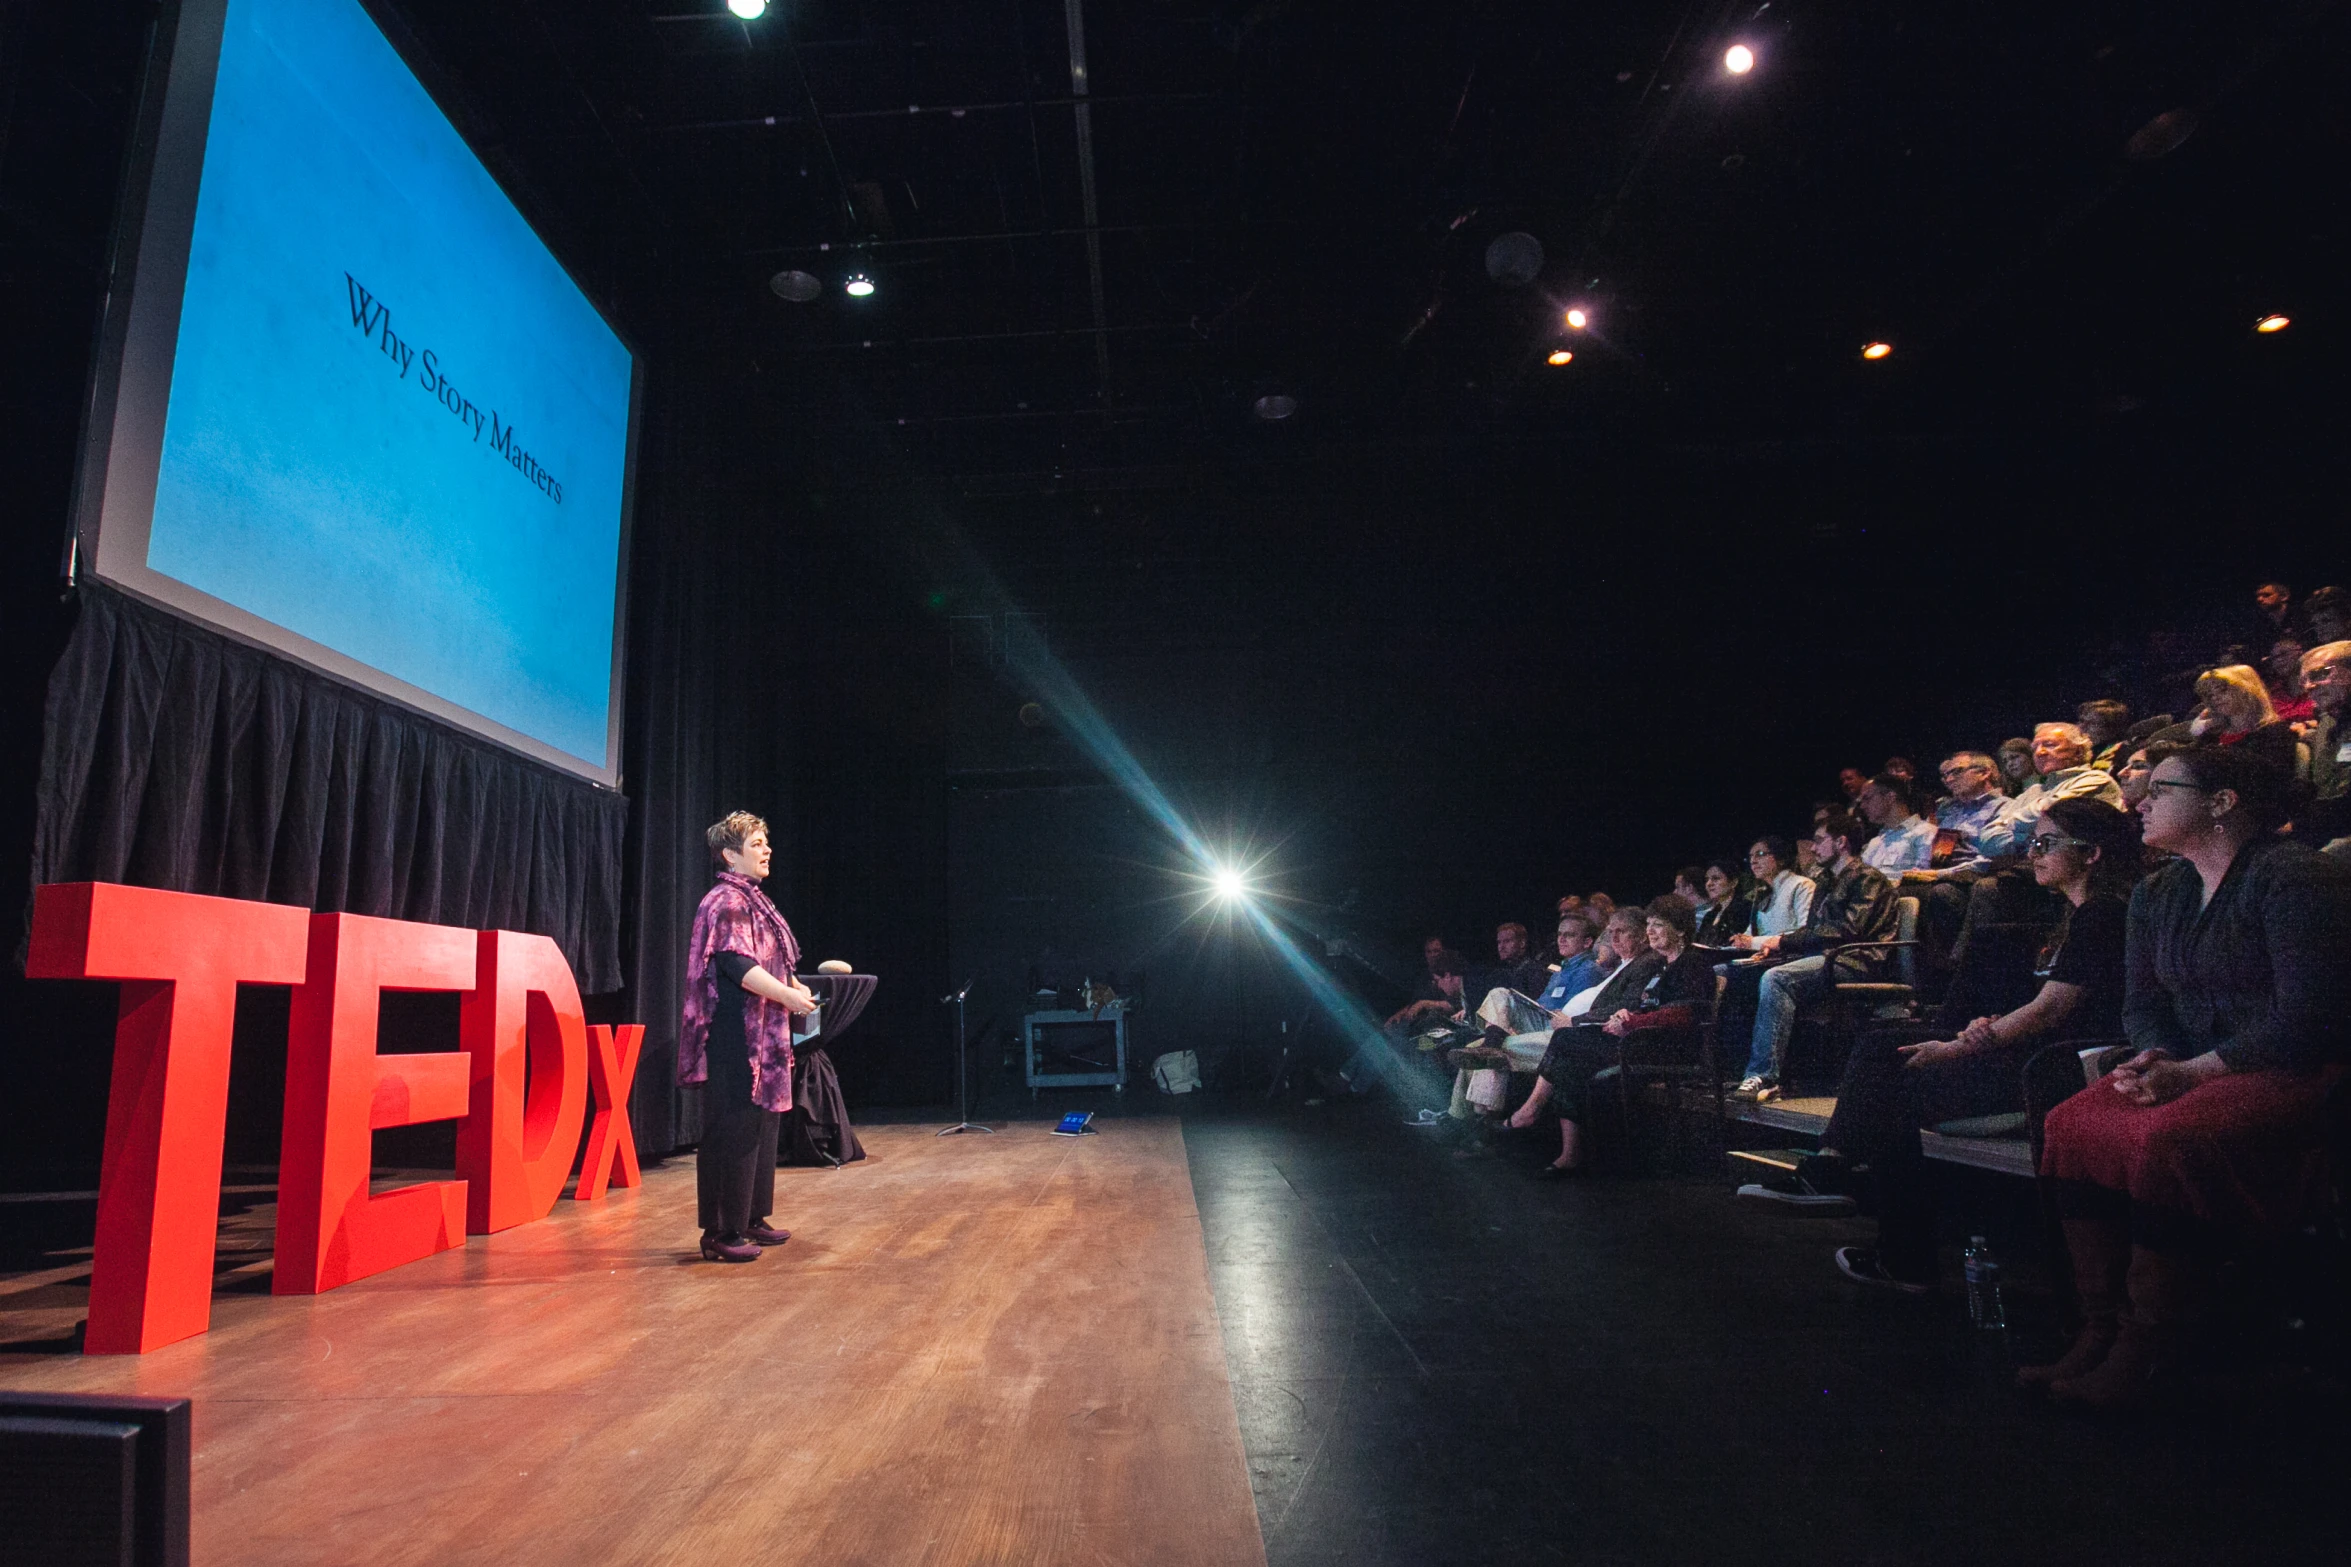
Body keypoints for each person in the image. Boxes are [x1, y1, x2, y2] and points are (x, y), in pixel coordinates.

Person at [2026, 748, 2351, 1407]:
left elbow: (2308, 1015)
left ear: (2221, 802)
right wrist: (2152, 1058)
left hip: (2288, 1066)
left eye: (2159, 789)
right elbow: (2142, 1004)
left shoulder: (2295, 878)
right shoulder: (2156, 891)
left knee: (2168, 1138)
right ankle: (2100, 1325)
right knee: (2072, 1121)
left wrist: (2190, 1074)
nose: (2138, 802)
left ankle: (2152, 1343)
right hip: (2190, 1069)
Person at [1741, 800, 2140, 1292]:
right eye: (2032, 843)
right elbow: (2048, 1006)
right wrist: (1985, 1024)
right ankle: (1834, 1172)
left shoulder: (2103, 915)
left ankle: (1891, 1239)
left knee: (1892, 1086)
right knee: (1884, 1040)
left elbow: (2052, 1013)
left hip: (2051, 1071)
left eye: (2046, 844)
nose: (2032, 853)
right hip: (2026, 1051)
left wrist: (1960, 1047)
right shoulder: (2071, 917)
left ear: (2092, 854)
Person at [682, 811, 819, 1264]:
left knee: (762, 1122)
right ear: (730, 854)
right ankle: (721, 1230)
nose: (767, 850)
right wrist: (786, 995)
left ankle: (750, 1216)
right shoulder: (726, 901)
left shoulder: (754, 900)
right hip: (732, 1031)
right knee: (732, 1125)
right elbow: (738, 967)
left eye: (765, 841)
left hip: (764, 1032)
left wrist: (793, 987)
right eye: (757, 843)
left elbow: (772, 959)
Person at [1505, 900, 1712, 1174]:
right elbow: (1647, 1006)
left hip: (1667, 1046)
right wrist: (1625, 1015)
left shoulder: (1692, 964)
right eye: (1649, 925)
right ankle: (1568, 1152)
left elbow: (1684, 1015)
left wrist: (1632, 1022)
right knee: (1569, 1054)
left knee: (1568, 1043)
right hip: (1641, 1039)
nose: (1651, 931)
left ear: (1682, 931)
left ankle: (1539, 1120)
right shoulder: (1663, 966)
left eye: (1659, 925)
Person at [1732, 812, 1897, 1101]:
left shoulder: (1868, 878)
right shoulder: (1826, 882)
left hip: (1857, 960)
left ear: (1842, 842)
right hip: (1828, 957)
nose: (1813, 848)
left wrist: (1783, 941)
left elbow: (1848, 930)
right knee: (1739, 974)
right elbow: (1813, 931)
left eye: (1820, 841)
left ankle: (1763, 1075)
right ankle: (1734, 1069)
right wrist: (1783, 946)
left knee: (1777, 977)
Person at [2184, 664, 2300, 775]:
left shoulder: (2274, 733)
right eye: (2209, 695)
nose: (2215, 698)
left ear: (2247, 691)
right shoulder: (2211, 736)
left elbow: (2274, 777)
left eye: (2222, 690)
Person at [2297, 641, 2351, 841]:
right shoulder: (2328, 722)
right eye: (2303, 681)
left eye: (2320, 674)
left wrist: (2297, 825)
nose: (2309, 687)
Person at [1857, 773, 1936, 881]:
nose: (1862, 806)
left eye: (1867, 798)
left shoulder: (1925, 832)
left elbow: (1924, 879)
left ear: (1890, 797)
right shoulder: (1875, 842)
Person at [1739, 836, 1814, 937]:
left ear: (1780, 859)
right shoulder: (1763, 893)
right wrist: (1740, 940)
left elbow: (1805, 931)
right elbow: (1752, 933)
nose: (1753, 861)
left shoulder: (1801, 885)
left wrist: (1754, 942)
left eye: (1760, 854)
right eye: (1751, 856)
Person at [1692, 858, 1750, 946]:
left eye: (1716, 878)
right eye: (1707, 879)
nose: (1709, 883)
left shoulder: (1745, 909)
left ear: (1734, 882)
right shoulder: (1710, 916)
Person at [2078, 700, 2133, 772]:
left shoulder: (2121, 754)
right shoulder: (2082, 752)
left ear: (2111, 728)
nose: (2081, 726)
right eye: (2082, 721)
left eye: (2092, 723)